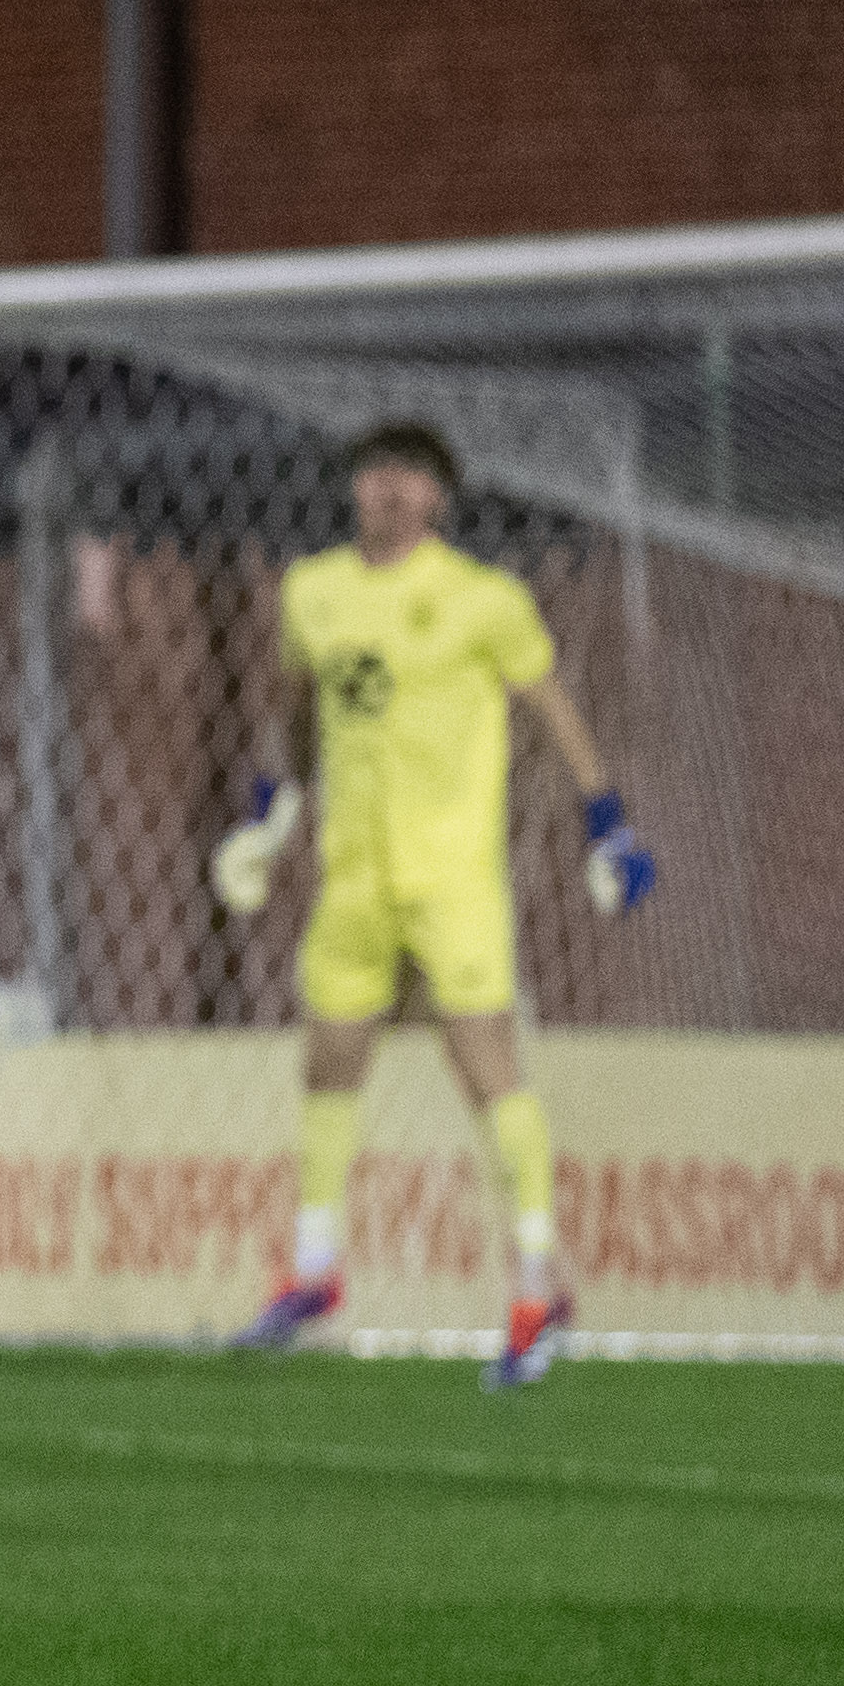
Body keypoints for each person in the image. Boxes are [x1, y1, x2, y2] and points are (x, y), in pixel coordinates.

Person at [213, 418, 652, 1389]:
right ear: (356, 490)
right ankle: (316, 1268)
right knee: (329, 1060)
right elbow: (293, 706)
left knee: (486, 1064)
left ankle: (539, 1281)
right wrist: (270, 804)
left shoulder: (482, 601)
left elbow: (554, 706)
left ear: (440, 499)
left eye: (411, 479)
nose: (391, 492)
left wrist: (606, 819)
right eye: (376, 476)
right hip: (352, 876)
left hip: (452, 878)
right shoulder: (312, 592)